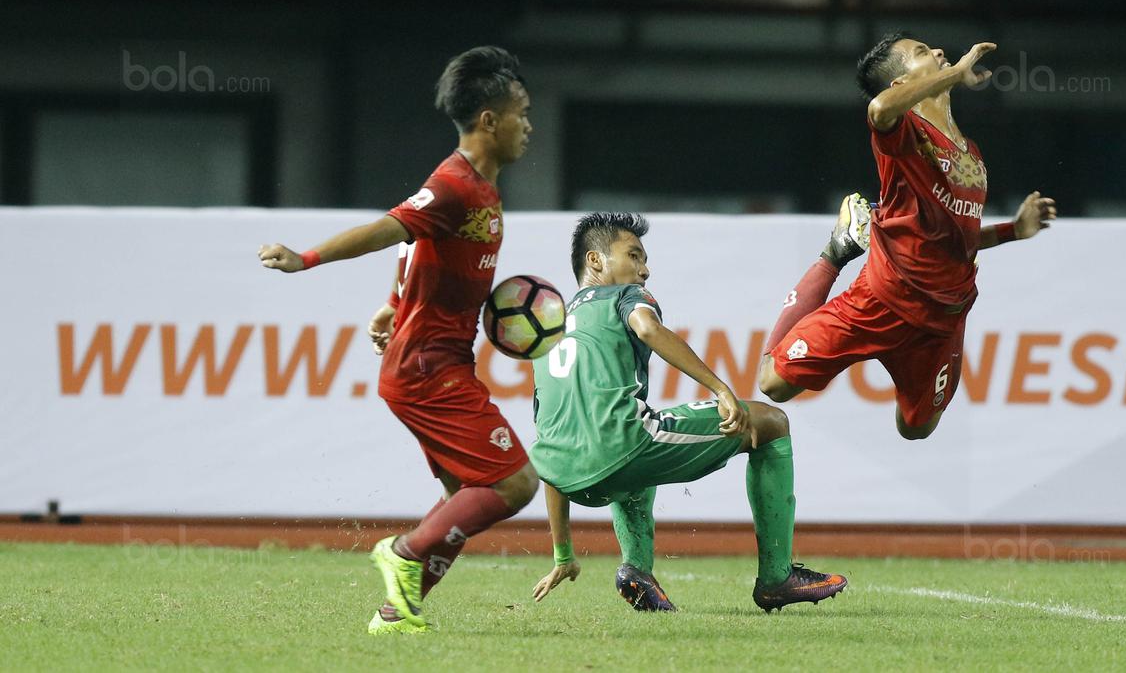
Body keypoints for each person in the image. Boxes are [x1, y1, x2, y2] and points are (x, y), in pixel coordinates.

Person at [257, 46, 537, 635]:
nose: (529, 127)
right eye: (522, 113)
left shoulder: (479, 189)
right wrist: (305, 258)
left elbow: (416, 245)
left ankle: (396, 614)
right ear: (490, 120)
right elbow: (391, 228)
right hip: (427, 369)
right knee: (514, 482)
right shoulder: (455, 184)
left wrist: (392, 304)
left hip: (435, 362)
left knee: (465, 493)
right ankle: (404, 553)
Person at [529, 212, 847, 613]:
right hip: (622, 450)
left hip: (571, 478)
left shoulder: (547, 330)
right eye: (634, 255)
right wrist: (719, 388)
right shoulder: (624, 295)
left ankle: (637, 572)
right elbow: (647, 329)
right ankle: (777, 578)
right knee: (769, 423)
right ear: (596, 261)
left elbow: (550, 444)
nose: (645, 270)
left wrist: (563, 554)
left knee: (631, 438)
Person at [757, 34, 1057, 439]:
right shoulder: (905, 132)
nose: (937, 51)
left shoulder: (971, 152)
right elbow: (878, 109)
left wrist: (1012, 231)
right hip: (880, 302)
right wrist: (955, 71)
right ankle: (835, 251)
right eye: (922, 53)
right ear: (900, 84)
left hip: (941, 322)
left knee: (916, 429)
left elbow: (951, 239)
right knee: (773, 384)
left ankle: (870, 240)